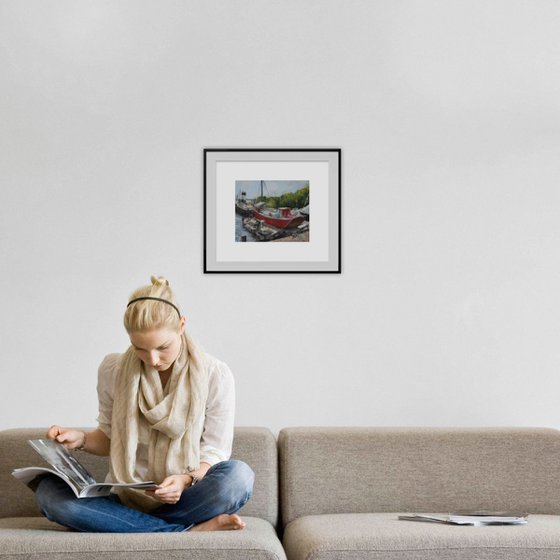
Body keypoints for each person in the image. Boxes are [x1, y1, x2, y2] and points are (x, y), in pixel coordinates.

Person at [34, 276, 254, 533]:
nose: (152, 359)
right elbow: (110, 438)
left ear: (182, 325)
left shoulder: (215, 374)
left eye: (163, 347)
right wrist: (80, 438)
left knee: (239, 477)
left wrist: (184, 480)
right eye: (139, 348)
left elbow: (214, 451)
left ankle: (130, 527)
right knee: (48, 494)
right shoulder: (113, 370)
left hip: (186, 497)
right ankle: (184, 532)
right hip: (124, 498)